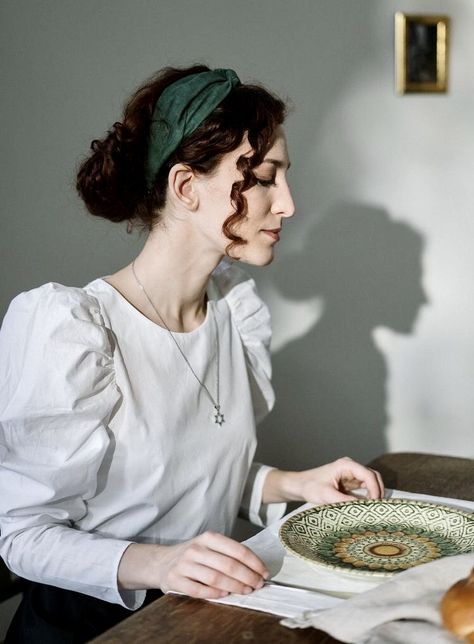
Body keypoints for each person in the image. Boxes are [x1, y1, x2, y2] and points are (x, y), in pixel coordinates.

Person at [0, 65, 384, 642]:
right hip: (89, 627)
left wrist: (291, 484)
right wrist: (161, 564)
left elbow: (184, 475)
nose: (287, 204)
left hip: (195, 617)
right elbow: (20, 536)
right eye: (264, 177)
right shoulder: (74, 330)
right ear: (186, 187)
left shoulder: (234, 312)